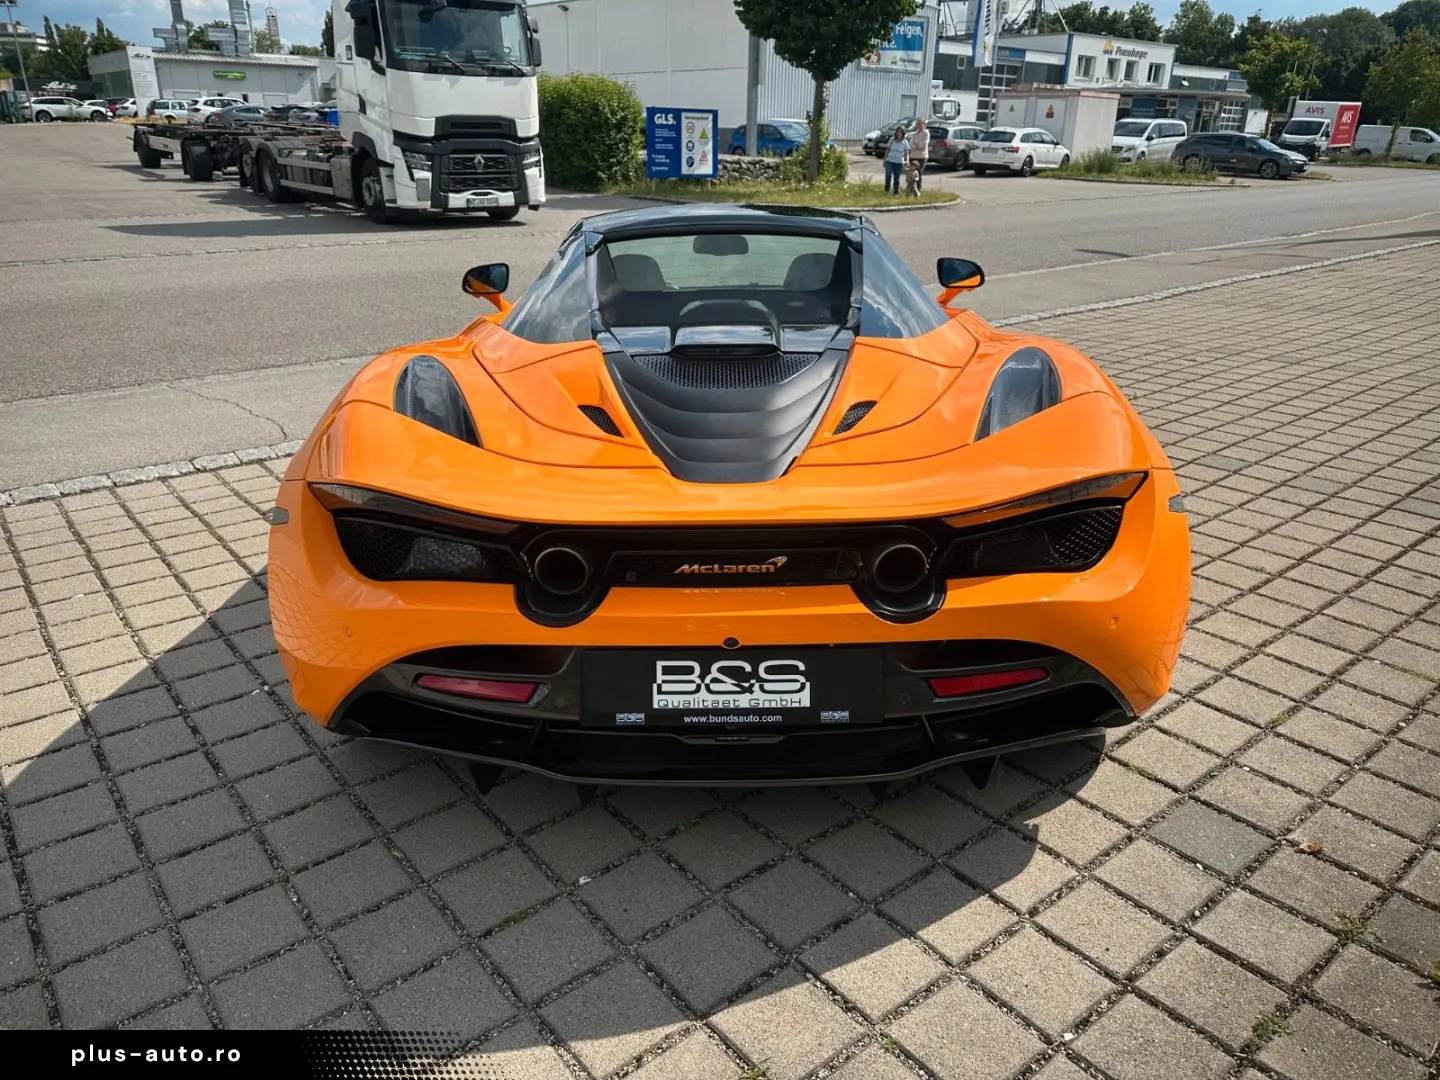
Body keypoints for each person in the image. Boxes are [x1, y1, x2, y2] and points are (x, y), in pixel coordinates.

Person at [883, 126, 910, 195]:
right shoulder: (892, 140)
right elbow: (887, 150)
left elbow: (906, 153)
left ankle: (896, 192)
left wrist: (907, 161)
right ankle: (886, 190)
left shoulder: (905, 142)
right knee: (888, 176)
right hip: (890, 161)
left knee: (896, 177)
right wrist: (884, 160)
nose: (898, 133)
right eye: (897, 131)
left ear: (903, 133)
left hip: (899, 162)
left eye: (900, 132)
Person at [909, 118, 930, 193]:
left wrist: (917, 144)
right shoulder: (914, 134)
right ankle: (911, 189)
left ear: (924, 125)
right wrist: (918, 145)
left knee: (919, 172)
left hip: (922, 156)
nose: (920, 126)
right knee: (912, 173)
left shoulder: (926, 134)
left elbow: (923, 146)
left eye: (922, 124)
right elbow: (911, 146)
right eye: (918, 124)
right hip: (913, 156)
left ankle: (918, 189)